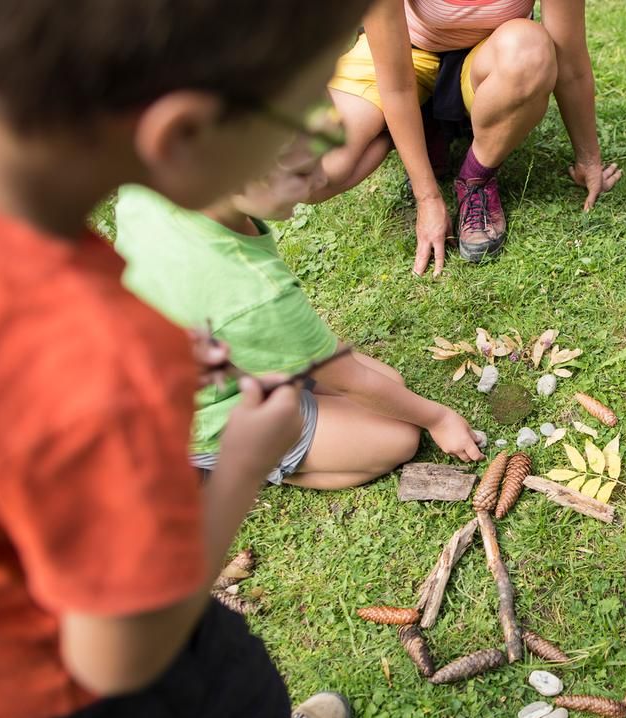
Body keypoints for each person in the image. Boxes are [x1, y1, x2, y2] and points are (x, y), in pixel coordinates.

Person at [0, 1, 373, 718]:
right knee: (197, 699)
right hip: (90, 646)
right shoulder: (100, 369)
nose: (327, 141)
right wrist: (239, 462)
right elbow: (121, 656)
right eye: (302, 106)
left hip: (20, 672)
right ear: (184, 134)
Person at [117, 137, 484, 490]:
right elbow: (347, 381)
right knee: (399, 437)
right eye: (301, 174)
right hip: (202, 414)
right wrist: (439, 418)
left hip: (183, 363)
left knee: (390, 383)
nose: (322, 179)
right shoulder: (252, 290)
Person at [314, 0, 622, 271]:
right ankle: (419, 125)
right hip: (405, 52)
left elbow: (570, 62)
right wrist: (428, 196)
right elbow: (396, 86)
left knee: (530, 50)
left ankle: (475, 177)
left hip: (491, 58)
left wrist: (588, 157)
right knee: (315, 173)